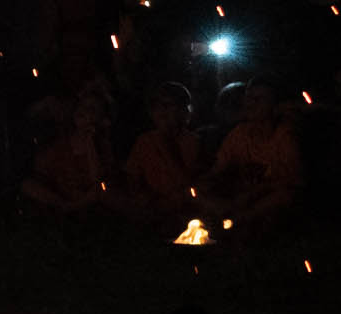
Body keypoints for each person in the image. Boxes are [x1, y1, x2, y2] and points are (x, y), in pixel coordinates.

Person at [207, 81, 305, 232]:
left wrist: (255, 193)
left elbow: (292, 181)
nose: (250, 104)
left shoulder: (284, 136)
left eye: (258, 99)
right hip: (240, 197)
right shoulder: (239, 133)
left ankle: (238, 221)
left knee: (284, 196)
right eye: (248, 98)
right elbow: (218, 169)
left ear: (274, 105)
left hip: (266, 200)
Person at [116, 83, 201, 228]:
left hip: (182, 202)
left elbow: (187, 181)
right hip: (151, 203)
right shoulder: (144, 141)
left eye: (169, 105)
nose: (163, 111)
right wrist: (141, 195)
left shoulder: (192, 141)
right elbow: (132, 177)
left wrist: (166, 142)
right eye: (158, 106)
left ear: (184, 110)